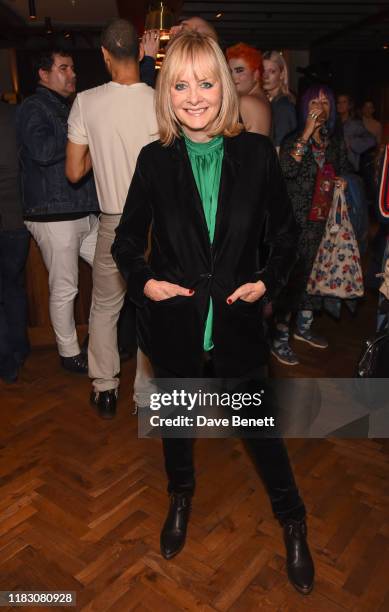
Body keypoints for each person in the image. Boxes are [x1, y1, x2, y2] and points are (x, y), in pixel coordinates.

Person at [112, 30, 314, 595]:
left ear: (223, 88)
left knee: (262, 435)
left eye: (206, 82)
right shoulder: (154, 161)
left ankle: (292, 520)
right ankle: (180, 498)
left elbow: (287, 235)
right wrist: (146, 281)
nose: (194, 96)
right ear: (166, 92)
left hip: (238, 328)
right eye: (181, 84)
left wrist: (267, 283)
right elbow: (126, 242)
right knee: (177, 429)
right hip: (175, 327)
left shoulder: (255, 155)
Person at [66, 19, 158, 419]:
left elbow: (73, 172)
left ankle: (105, 389)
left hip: (115, 221)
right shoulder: (162, 101)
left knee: (105, 306)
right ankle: (145, 395)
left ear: (105, 55)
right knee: (153, 306)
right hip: (158, 222)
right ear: (140, 53)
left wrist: (100, 153)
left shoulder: (86, 102)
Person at [17, 49, 99, 374]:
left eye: (73, 68)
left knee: (113, 269)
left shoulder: (67, 107)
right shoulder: (33, 107)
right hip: (51, 213)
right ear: (43, 74)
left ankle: (99, 337)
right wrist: (82, 135)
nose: (72, 74)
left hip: (81, 209)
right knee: (66, 286)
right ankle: (68, 352)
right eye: (63, 68)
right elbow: (42, 150)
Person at [272, 85, 351, 366]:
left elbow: (341, 169)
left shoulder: (335, 143)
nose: (320, 106)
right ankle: (279, 339)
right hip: (295, 224)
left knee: (314, 278)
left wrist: (342, 181)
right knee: (291, 281)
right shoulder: (295, 139)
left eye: (326, 102)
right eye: (314, 101)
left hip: (323, 223)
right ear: (304, 108)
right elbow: (286, 171)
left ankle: (303, 329)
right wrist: (306, 133)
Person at [0, 99, 30, 383]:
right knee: (13, 287)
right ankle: (19, 348)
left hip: (9, 217)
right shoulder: (15, 114)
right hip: (17, 218)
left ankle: (7, 360)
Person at [226, 42, 271, 136]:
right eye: (230, 71)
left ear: (256, 74)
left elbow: (255, 148)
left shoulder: (247, 102)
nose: (233, 77)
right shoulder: (259, 98)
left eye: (239, 71)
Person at [263, 50, 297, 151]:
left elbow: (280, 149)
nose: (266, 76)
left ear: (282, 75)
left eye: (272, 71)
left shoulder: (283, 105)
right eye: (263, 70)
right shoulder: (267, 102)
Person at [336, 93, 376, 171]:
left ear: (349, 105)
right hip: (332, 166)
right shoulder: (331, 123)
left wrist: (352, 143)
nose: (340, 104)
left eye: (344, 102)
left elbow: (372, 140)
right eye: (338, 102)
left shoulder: (355, 124)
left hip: (349, 167)